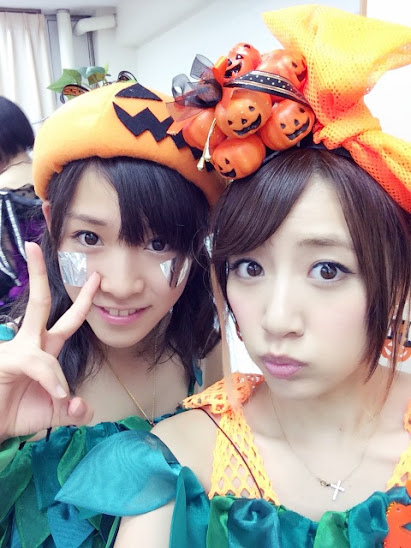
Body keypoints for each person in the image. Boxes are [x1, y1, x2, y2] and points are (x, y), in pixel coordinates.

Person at [56, 5, 411, 547]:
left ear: (398, 277)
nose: (277, 320)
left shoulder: (195, 349)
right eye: (249, 267)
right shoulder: (182, 460)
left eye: (327, 269)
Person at [0, 81, 224, 546]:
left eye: (159, 243)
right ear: (52, 224)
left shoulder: (204, 348)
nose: (121, 285)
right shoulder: (11, 368)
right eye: (89, 238)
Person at [0, 96, 44, 310]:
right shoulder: (55, 176)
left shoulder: (2, 192)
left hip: (22, 304)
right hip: (70, 289)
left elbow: (6, 263)